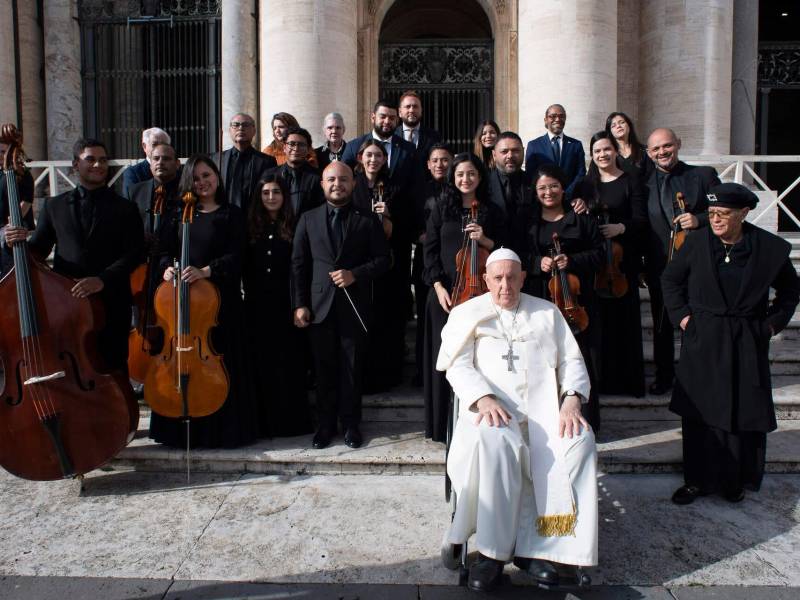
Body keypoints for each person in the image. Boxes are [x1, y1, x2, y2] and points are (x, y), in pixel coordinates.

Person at [438, 248, 597, 593]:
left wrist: (571, 398)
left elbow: (571, 360)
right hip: (489, 414)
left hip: (545, 415)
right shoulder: (467, 314)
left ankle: (544, 550)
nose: (505, 285)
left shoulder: (547, 312)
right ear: (486, 280)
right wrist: (483, 397)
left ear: (523, 278)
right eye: (497, 278)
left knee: (580, 440)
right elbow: (457, 365)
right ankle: (491, 555)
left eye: (512, 277)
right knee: (498, 442)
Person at [662, 183, 800, 504]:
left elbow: (790, 291)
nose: (715, 220)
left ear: (743, 213)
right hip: (703, 337)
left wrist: (770, 325)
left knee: (742, 411)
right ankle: (696, 480)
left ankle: (734, 479)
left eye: (723, 214)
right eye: (711, 213)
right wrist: (683, 317)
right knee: (699, 412)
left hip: (746, 339)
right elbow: (670, 280)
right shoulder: (696, 242)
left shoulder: (768, 248)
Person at [4, 138, 144, 373]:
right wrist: (13, 244)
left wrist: (102, 280)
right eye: (90, 159)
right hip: (67, 304)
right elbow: (38, 252)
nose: (98, 165)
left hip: (111, 303)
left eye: (103, 160)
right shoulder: (54, 206)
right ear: (75, 164)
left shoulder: (125, 208)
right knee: (69, 370)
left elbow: (135, 253)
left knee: (113, 370)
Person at [149, 155, 258, 449]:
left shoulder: (232, 214)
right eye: (195, 178)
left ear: (217, 177)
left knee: (221, 363)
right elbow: (161, 252)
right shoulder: (178, 214)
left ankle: (223, 432)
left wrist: (207, 271)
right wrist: (166, 269)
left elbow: (238, 255)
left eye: (207, 175)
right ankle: (178, 425)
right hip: (183, 304)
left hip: (220, 303)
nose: (202, 183)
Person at [291, 161, 391, 449]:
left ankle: (350, 424)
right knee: (323, 371)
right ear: (323, 184)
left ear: (353, 183)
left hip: (354, 307)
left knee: (351, 369)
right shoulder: (308, 218)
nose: (338, 184)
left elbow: (384, 260)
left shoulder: (367, 219)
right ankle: (325, 426)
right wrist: (300, 304)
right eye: (332, 179)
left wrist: (354, 274)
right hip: (319, 307)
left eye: (344, 179)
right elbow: (298, 265)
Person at [423, 152, 503, 442]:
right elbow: (429, 251)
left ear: (480, 177)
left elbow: (505, 252)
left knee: (480, 359)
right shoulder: (441, 208)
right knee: (444, 357)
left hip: (481, 296)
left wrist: (485, 239)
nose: (465, 179)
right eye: (459, 174)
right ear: (452, 178)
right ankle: (440, 426)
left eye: (471, 173)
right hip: (445, 295)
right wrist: (438, 286)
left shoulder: (492, 211)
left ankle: (480, 423)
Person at [523, 165, 604, 431]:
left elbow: (600, 255)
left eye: (554, 186)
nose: (548, 192)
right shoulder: (528, 221)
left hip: (576, 301)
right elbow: (518, 254)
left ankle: (584, 420)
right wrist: (537, 263)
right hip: (540, 298)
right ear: (535, 191)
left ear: (563, 187)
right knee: (543, 357)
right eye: (542, 188)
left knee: (580, 356)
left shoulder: (581, 218)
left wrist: (573, 260)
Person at [643, 127, 720, 395]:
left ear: (678, 144)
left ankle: (695, 376)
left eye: (667, 145)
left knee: (697, 320)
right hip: (660, 265)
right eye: (656, 148)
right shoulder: (642, 183)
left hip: (698, 263)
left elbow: (726, 210)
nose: (662, 152)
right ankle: (664, 375)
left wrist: (699, 219)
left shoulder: (703, 175)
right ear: (649, 153)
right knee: (662, 323)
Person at [574, 131, 647, 397]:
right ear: (591, 156)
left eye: (607, 149)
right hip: (595, 263)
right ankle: (599, 381)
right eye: (597, 151)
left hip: (620, 261)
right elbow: (576, 218)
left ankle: (626, 382)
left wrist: (621, 227)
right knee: (598, 324)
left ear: (615, 150)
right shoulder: (585, 185)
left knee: (624, 322)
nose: (602, 154)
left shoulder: (631, 180)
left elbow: (641, 219)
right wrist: (579, 207)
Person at [243, 175, 313, 438]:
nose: (271, 197)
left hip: (287, 304)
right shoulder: (250, 226)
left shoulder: (295, 225)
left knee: (288, 364)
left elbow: (300, 266)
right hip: (257, 305)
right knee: (262, 364)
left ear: (284, 196)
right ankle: (263, 424)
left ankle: (290, 424)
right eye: (266, 193)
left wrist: (300, 303)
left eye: (276, 192)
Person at [352, 138, 407, 391]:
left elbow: (402, 226)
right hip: (360, 261)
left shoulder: (394, 187)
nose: (373, 160)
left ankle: (386, 376)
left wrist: (387, 214)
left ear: (385, 160)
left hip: (387, 263)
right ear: (360, 158)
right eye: (369, 155)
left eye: (378, 156)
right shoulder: (353, 185)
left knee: (386, 319)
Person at [411, 143, 453, 385]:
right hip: (426, 261)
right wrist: (420, 235)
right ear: (428, 164)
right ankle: (424, 370)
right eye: (435, 160)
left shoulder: (457, 188)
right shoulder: (419, 191)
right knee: (426, 319)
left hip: (451, 262)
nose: (440, 164)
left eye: (445, 160)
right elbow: (408, 221)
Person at [342, 100, 417, 194]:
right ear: (373, 118)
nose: (387, 121)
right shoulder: (353, 147)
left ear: (397, 121)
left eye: (392, 118)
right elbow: (343, 178)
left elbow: (416, 183)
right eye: (383, 117)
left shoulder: (408, 149)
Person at [216, 113, 277, 212]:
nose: (240, 128)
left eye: (245, 125)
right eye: (236, 125)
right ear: (230, 130)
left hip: (253, 217)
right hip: (222, 216)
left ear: (254, 131)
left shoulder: (267, 161)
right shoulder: (216, 159)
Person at [524, 104, 586, 200]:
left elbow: (581, 173)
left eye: (561, 116)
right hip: (545, 199)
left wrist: (567, 193)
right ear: (545, 120)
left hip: (569, 199)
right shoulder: (534, 145)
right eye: (553, 116)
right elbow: (531, 175)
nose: (557, 119)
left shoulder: (576, 145)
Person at [487, 131, 533, 256]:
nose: (510, 156)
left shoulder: (534, 183)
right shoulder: (483, 184)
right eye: (504, 151)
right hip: (492, 256)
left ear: (523, 152)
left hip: (528, 255)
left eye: (515, 151)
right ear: (494, 155)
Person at [265, 127, 324, 217]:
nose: (296, 148)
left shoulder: (318, 177)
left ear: (308, 149)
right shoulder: (270, 175)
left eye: (301, 145)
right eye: (291, 144)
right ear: (284, 147)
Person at [0, 124, 35, 276]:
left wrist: (13, 222)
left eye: (3, 152)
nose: (1, 155)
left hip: (14, 225)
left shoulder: (22, 174)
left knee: (9, 238)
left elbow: (26, 201)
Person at [122, 127, 171, 198]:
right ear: (144, 146)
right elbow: (130, 199)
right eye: (154, 144)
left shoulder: (175, 171)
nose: (159, 149)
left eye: (164, 145)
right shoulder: (133, 173)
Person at [395, 89, 442, 162]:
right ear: (400, 112)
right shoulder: (392, 135)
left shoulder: (434, 136)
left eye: (415, 106)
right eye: (408, 106)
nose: (412, 110)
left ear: (421, 111)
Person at [605, 112, 653, 182]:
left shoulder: (643, 151)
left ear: (629, 126)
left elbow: (651, 178)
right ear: (610, 132)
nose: (618, 126)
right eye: (613, 126)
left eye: (622, 122)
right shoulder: (606, 153)